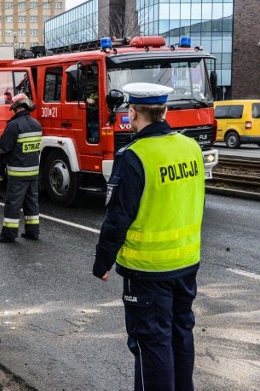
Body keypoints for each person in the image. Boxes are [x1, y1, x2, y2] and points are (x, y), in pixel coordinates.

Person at [92, 83, 205, 391]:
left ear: (131, 114)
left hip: (148, 270)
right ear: (165, 111)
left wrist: (103, 261)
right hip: (187, 262)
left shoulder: (134, 156)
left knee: (152, 343)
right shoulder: (191, 147)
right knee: (181, 335)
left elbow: (118, 217)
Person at [0, 94, 42, 243]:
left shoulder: (14, 125)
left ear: (15, 107)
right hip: (33, 172)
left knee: (13, 203)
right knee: (32, 202)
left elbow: (3, 148)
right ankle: (32, 232)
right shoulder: (36, 124)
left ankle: (8, 233)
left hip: (18, 172)